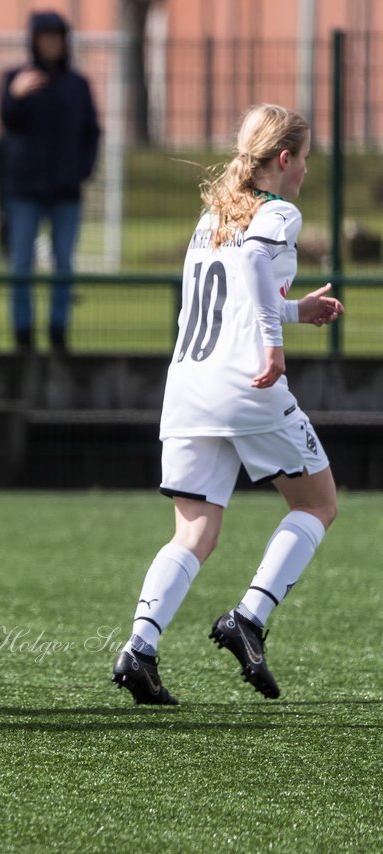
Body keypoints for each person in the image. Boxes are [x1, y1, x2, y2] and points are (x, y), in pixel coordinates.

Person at [111, 104, 344, 706]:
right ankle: (249, 617)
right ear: (285, 158)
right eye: (307, 160)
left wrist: (297, 312)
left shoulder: (214, 213)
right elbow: (254, 265)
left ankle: (139, 648)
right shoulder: (278, 212)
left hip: (187, 383)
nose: (306, 173)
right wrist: (275, 344)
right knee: (318, 503)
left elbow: (237, 292)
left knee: (194, 530)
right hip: (245, 382)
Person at [0, 10, 100, 353]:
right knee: (21, 264)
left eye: (57, 37)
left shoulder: (77, 85)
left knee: (63, 264)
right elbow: (7, 125)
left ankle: (58, 332)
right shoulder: (17, 79)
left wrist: (82, 169)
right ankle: (22, 335)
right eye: (45, 37)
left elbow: (92, 132)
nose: (51, 44)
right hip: (24, 190)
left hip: (65, 191)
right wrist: (15, 95)